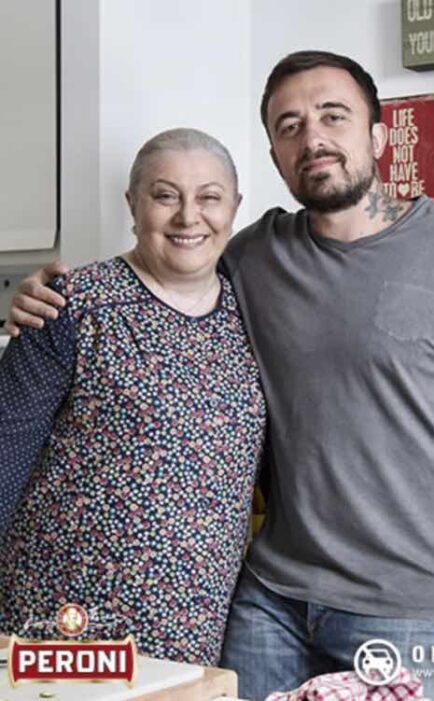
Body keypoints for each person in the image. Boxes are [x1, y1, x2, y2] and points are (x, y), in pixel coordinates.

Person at [6, 51, 434, 701]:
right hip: (271, 598)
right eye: (290, 125)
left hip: (414, 606)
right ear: (274, 156)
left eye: (333, 116)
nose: (313, 138)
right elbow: (163, 275)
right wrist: (46, 296)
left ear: (378, 136)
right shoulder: (252, 257)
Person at [0, 128, 267, 667]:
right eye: (165, 195)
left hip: (191, 627)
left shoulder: (258, 315)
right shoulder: (70, 306)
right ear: (133, 204)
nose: (188, 217)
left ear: (235, 208)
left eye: (209, 197)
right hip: (59, 623)